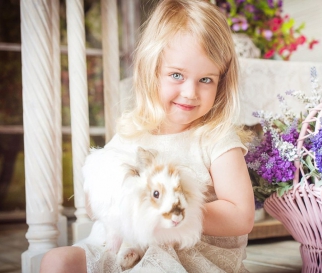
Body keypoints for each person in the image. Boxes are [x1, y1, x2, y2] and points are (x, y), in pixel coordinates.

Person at [40, 0, 255, 272]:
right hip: (125, 246)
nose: (190, 92)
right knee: (55, 261)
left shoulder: (215, 137)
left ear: (221, 82)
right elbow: (95, 204)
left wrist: (173, 209)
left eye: (206, 80)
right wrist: (117, 200)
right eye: (177, 75)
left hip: (188, 254)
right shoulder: (133, 133)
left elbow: (241, 216)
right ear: (152, 72)